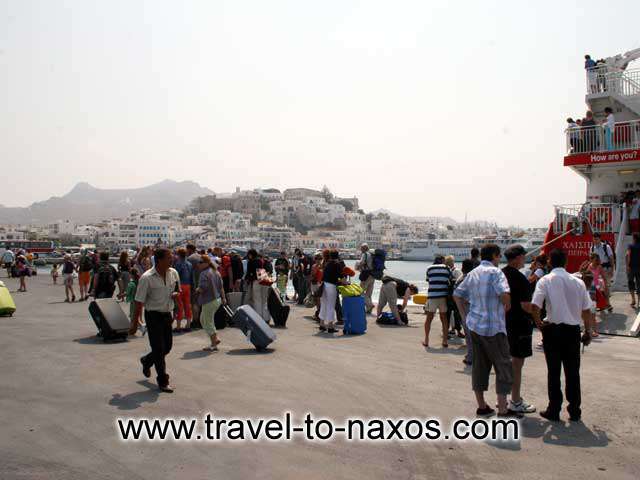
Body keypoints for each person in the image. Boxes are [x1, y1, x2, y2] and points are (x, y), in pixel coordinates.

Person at [453, 244, 514, 418]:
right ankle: (503, 409)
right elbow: (504, 295)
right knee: (503, 367)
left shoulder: (472, 274)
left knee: (480, 367)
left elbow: (457, 294)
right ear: (495, 256)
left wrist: (465, 315)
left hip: (475, 326)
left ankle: (482, 406)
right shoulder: (496, 272)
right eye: (498, 256)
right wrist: (507, 304)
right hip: (494, 327)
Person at [531, 249, 593, 422]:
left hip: (552, 330)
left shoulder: (545, 280)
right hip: (573, 331)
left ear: (550, 262)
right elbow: (586, 310)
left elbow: (535, 307)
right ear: (566, 263)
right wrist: (587, 331)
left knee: (554, 371)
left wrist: (540, 325)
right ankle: (574, 410)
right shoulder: (578, 282)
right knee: (573, 372)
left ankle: (554, 408)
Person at [135, 247, 181, 393]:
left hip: (167, 314)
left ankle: (147, 360)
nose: (172, 259)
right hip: (153, 316)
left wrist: (176, 299)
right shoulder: (146, 278)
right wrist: (135, 322)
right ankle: (163, 381)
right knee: (159, 349)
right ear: (159, 260)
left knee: (167, 347)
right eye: (168, 257)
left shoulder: (173, 273)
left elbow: (178, 290)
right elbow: (138, 301)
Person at [502, 245, 536, 415]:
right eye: (523, 256)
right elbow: (526, 306)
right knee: (517, 363)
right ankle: (515, 400)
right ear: (516, 258)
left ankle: (502, 398)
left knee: (506, 362)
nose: (525, 258)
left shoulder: (500, 274)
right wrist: (538, 312)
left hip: (502, 324)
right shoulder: (520, 279)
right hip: (519, 324)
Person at [196, 254, 226, 352]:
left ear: (206, 263)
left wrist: (197, 290)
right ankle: (214, 340)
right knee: (205, 320)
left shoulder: (204, 273)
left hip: (208, 300)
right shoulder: (216, 272)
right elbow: (221, 287)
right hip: (216, 299)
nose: (198, 264)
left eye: (200, 262)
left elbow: (203, 287)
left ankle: (214, 341)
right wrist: (224, 298)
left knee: (206, 321)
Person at [423, 255, 452, 348]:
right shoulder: (447, 268)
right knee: (444, 319)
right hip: (443, 296)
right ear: (443, 260)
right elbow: (449, 280)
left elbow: (428, 280)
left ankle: (426, 340)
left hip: (432, 297)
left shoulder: (429, 268)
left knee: (429, 318)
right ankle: (444, 341)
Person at [456, 259, 476, 366]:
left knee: (469, 336)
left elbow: (456, 295)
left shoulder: (462, 278)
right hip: (474, 309)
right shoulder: (473, 278)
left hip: (465, 310)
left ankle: (470, 356)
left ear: (463, 267)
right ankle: (472, 356)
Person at [319, 249, 342, 333]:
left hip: (324, 285)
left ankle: (322, 324)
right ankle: (330, 326)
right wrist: (346, 282)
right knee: (331, 305)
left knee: (324, 304)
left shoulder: (327, 263)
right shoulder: (337, 264)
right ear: (337, 256)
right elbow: (341, 277)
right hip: (331, 286)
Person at [173, 247, 194, 332]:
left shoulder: (178, 264)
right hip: (188, 286)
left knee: (179, 306)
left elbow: (176, 277)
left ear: (179, 255)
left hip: (180, 286)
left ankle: (178, 326)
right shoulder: (189, 264)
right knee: (187, 305)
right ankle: (188, 325)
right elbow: (191, 276)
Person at [445, 255, 464, 338]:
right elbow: (461, 282)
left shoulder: (445, 271)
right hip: (455, 295)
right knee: (457, 314)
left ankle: (446, 331)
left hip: (447, 295)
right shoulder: (457, 271)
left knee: (447, 314)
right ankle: (458, 331)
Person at [355, 243, 375, 314]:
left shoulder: (365, 254)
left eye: (361, 248)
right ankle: (369, 309)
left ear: (364, 248)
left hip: (366, 275)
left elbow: (362, 263)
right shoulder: (372, 254)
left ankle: (370, 305)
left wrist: (357, 264)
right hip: (373, 275)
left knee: (361, 291)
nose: (360, 249)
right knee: (369, 293)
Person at [126, 268, 143, 336]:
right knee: (135, 316)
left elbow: (128, 292)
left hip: (133, 301)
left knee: (133, 316)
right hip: (139, 300)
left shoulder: (131, 283)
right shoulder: (139, 281)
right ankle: (131, 329)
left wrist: (121, 295)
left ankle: (141, 327)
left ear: (131, 275)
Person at [626, 233, 640, 307]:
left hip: (631, 268)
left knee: (631, 283)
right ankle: (639, 301)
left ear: (634, 238)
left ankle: (633, 300)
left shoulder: (630, 246)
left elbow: (628, 255)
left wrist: (628, 265)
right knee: (639, 284)